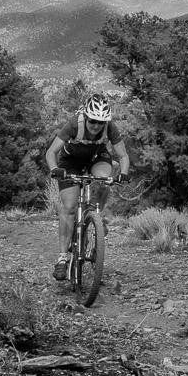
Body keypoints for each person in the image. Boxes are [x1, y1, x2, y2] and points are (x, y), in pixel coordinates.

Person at [44, 93, 131, 280]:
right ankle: (62, 259)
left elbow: (123, 156)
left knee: (104, 179)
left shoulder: (110, 128)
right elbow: (51, 152)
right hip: (70, 162)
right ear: (87, 116)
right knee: (68, 207)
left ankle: (96, 216)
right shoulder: (75, 123)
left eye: (101, 122)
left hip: (96, 158)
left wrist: (123, 173)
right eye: (93, 121)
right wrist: (55, 169)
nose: (96, 126)